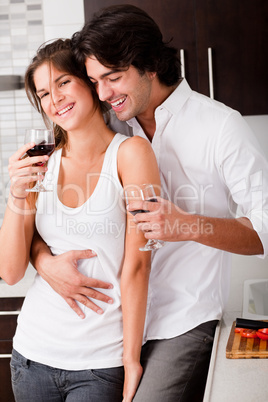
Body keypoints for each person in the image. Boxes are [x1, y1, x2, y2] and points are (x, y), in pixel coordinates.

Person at [30, 5, 268, 402]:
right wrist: (44, 262)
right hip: (115, 326)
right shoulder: (112, 126)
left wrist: (189, 225)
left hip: (183, 323)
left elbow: (265, 230)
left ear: (151, 65)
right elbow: (46, 218)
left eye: (114, 77)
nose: (103, 93)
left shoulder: (222, 127)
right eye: (94, 81)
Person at [0, 38, 161, 402]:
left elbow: (137, 266)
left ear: (89, 82)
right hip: (31, 356)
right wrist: (16, 193)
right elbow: (9, 271)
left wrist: (130, 359)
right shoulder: (42, 163)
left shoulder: (130, 154)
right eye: (43, 93)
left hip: (99, 363)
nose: (54, 100)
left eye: (62, 83)